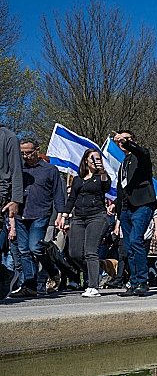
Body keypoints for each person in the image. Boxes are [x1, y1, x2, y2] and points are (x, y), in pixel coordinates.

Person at [57, 149, 111, 297]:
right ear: (86, 160)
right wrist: (63, 215)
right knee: (74, 253)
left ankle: (93, 286)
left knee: (90, 252)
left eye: (98, 158)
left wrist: (101, 171)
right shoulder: (78, 179)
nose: (95, 160)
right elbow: (72, 199)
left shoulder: (101, 177)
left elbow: (106, 187)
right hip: (79, 218)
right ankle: (99, 272)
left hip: (97, 216)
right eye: (93, 158)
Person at [14, 138, 65, 297]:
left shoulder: (50, 170)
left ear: (37, 150)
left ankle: (52, 270)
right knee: (23, 251)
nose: (26, 156)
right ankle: (30, 285)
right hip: (21, 214)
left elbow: (58, 194)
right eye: (22, 153)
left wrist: (61, 214)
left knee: (35, 247)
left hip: (40, 213)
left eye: (29, 152)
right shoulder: (19, 170)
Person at [111, 131, 156, 297]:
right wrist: (117, 208)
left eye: (127, 139)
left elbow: (142, 152)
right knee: (128, 247)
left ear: (134, 141)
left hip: (142, 204)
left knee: (136, 240)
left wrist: (127, 142)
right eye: (121, 140)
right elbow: (121, 188)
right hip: (126, 209)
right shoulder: (123, 163)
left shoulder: (141, 157)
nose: (122, 143)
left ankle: (143, 281)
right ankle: (134, 281)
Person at [0, 124, 23, 300]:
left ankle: (7, 275)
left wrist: (15, 199)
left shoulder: (9, 138)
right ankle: (6, 273)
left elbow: (16, 170)